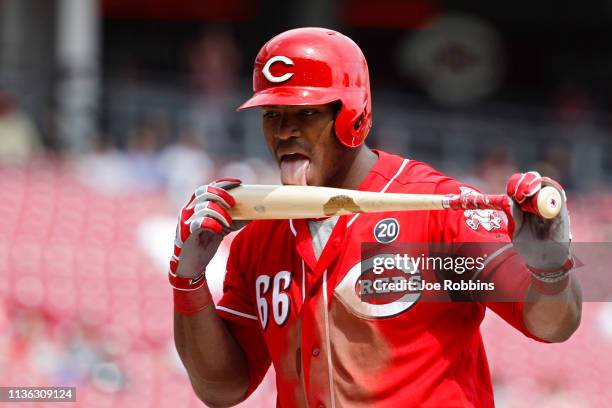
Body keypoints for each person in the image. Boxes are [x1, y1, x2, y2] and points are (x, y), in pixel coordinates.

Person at [170, 28, 581, 407]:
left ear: (351, 115)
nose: (283, 131)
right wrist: (188, 281)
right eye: (272, 115)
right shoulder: (256, 240)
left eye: (306, 113)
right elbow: (222, 389)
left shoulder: (437, 208)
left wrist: (551, 272)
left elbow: (551, 325)